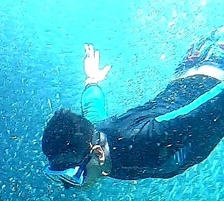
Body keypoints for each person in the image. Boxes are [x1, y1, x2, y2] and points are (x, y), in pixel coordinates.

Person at [42, 28, 224, 188]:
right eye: (57, 176)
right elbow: (92, 108)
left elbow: (204, 108)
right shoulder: (98, 139)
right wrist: (92, 80)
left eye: (72, 175)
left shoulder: (147, 138)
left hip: (217, 60)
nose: (68, 186)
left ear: (98, 153)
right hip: (197, 67)